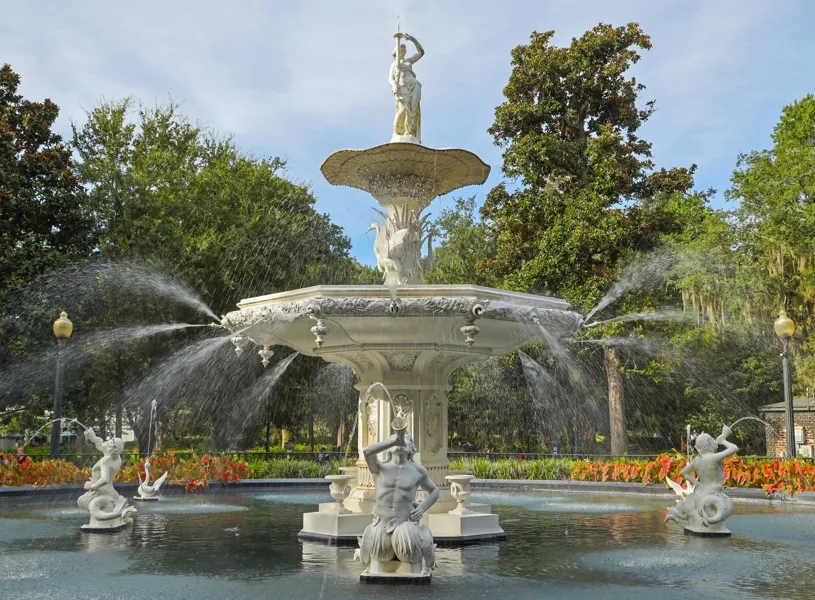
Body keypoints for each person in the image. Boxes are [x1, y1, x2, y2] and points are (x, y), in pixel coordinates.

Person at [355, 422, 439, 576]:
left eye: (406, 440)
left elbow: (434, 491)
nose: (402, 441)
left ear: (411, 449)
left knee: (410, 552)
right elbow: (367, 451)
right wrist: (394, 440)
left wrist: (421, 508)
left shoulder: (418, 470)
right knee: (377, 556)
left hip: (405, 526)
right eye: (399, 440)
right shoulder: (379, 468)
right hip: (381, 526)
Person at [389, 32, 424, 143]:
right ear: (396, 52)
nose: (403, 52)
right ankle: (397, 131)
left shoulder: (409, 62)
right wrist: (394, 86)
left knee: (414, 108)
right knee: (404, 108)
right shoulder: (394, 65)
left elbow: (421, 52)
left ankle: (410, 132)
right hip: (403, 88)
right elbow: (390, 78)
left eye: (404, 50)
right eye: (401, 50)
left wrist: (412, 39)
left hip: (415, 85)